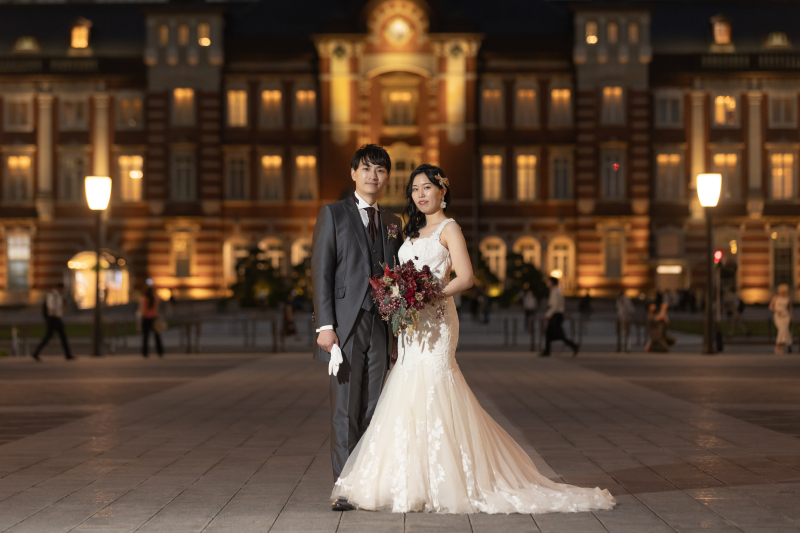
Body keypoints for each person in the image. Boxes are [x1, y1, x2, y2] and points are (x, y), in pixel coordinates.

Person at [331, 164, 614, 514]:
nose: (420, 194)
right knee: (406, 388)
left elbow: (466, 277)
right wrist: (399, 295)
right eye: (415, 189)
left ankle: (452, 478)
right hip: (411, 326)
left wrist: (427, 294)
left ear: (442, 191)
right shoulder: (410, 231)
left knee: (436, 386)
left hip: (436, 321)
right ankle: (411, 479)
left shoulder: (450, 229)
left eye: (427, 188)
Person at [311, 144, 404, 511]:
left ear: (387, 177)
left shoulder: (393, 223)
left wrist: (398, 329)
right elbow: (321, 272)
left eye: (380, 170)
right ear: (353, 173)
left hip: (381, 325)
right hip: (345, 328)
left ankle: (369, 482)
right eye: (366, 169)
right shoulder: (333, 214)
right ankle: (344, 488)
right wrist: (325, 325)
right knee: (345, 410)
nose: (373, 176)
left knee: (375, 407)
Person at [32, 283, 74, 361]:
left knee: (58, 336)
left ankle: (36, 353)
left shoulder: (57, 295)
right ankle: (68, 355)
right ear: (60, 288)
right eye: (63, 289)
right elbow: (51, 306)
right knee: (56, 336)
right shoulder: (53, 294)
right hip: (54, 318)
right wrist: (55, 312)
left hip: (55, 318)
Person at [541, 277, 579, 357]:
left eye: (549, 281)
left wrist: (547, 315)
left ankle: (573, 345)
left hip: (556, 315)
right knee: (549, 333)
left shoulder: (556, 292)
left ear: (552, 282)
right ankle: (547, 351)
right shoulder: (555, 291)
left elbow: (554, 306)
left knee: (557, 334)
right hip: (556, 315)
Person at [139, 286, 164, 358]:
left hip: (145, 318)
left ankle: (145, 352)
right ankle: (160, 351)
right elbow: (157, 306)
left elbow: (142, 309)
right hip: (153, 318)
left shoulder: (143, 299)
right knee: (157, 336)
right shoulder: (155, 299)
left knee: (145, 337)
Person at [769, 284, 793, 355]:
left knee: (785, 331)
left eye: (781, 290)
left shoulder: (788, 298)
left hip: (785, 316)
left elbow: (790, 308)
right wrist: (776, 310)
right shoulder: (775, 298)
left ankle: (779, 347)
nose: (780, 292)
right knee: (781, 329)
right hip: (778, 316)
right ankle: (780, 345)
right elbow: (770, 306)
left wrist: (791, 315)